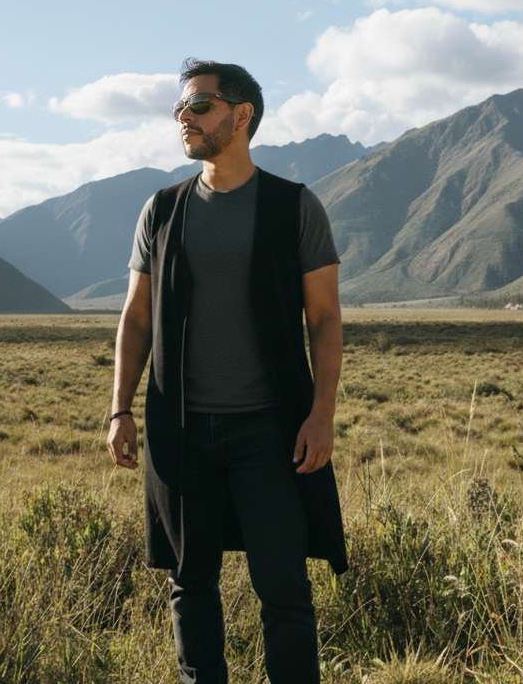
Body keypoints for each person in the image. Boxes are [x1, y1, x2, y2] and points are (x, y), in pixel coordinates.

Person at [106, 57, 348, 684]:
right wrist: (119, 409)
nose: (184, 118)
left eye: (199, 105)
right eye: (180, 108)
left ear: (241, 116)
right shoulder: (161, 211)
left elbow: (323, 320)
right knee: (191, 585)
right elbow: (136, 320)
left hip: (270, 431)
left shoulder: (294, 207)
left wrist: (322, 416)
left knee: (284, 588)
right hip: (181, 430)